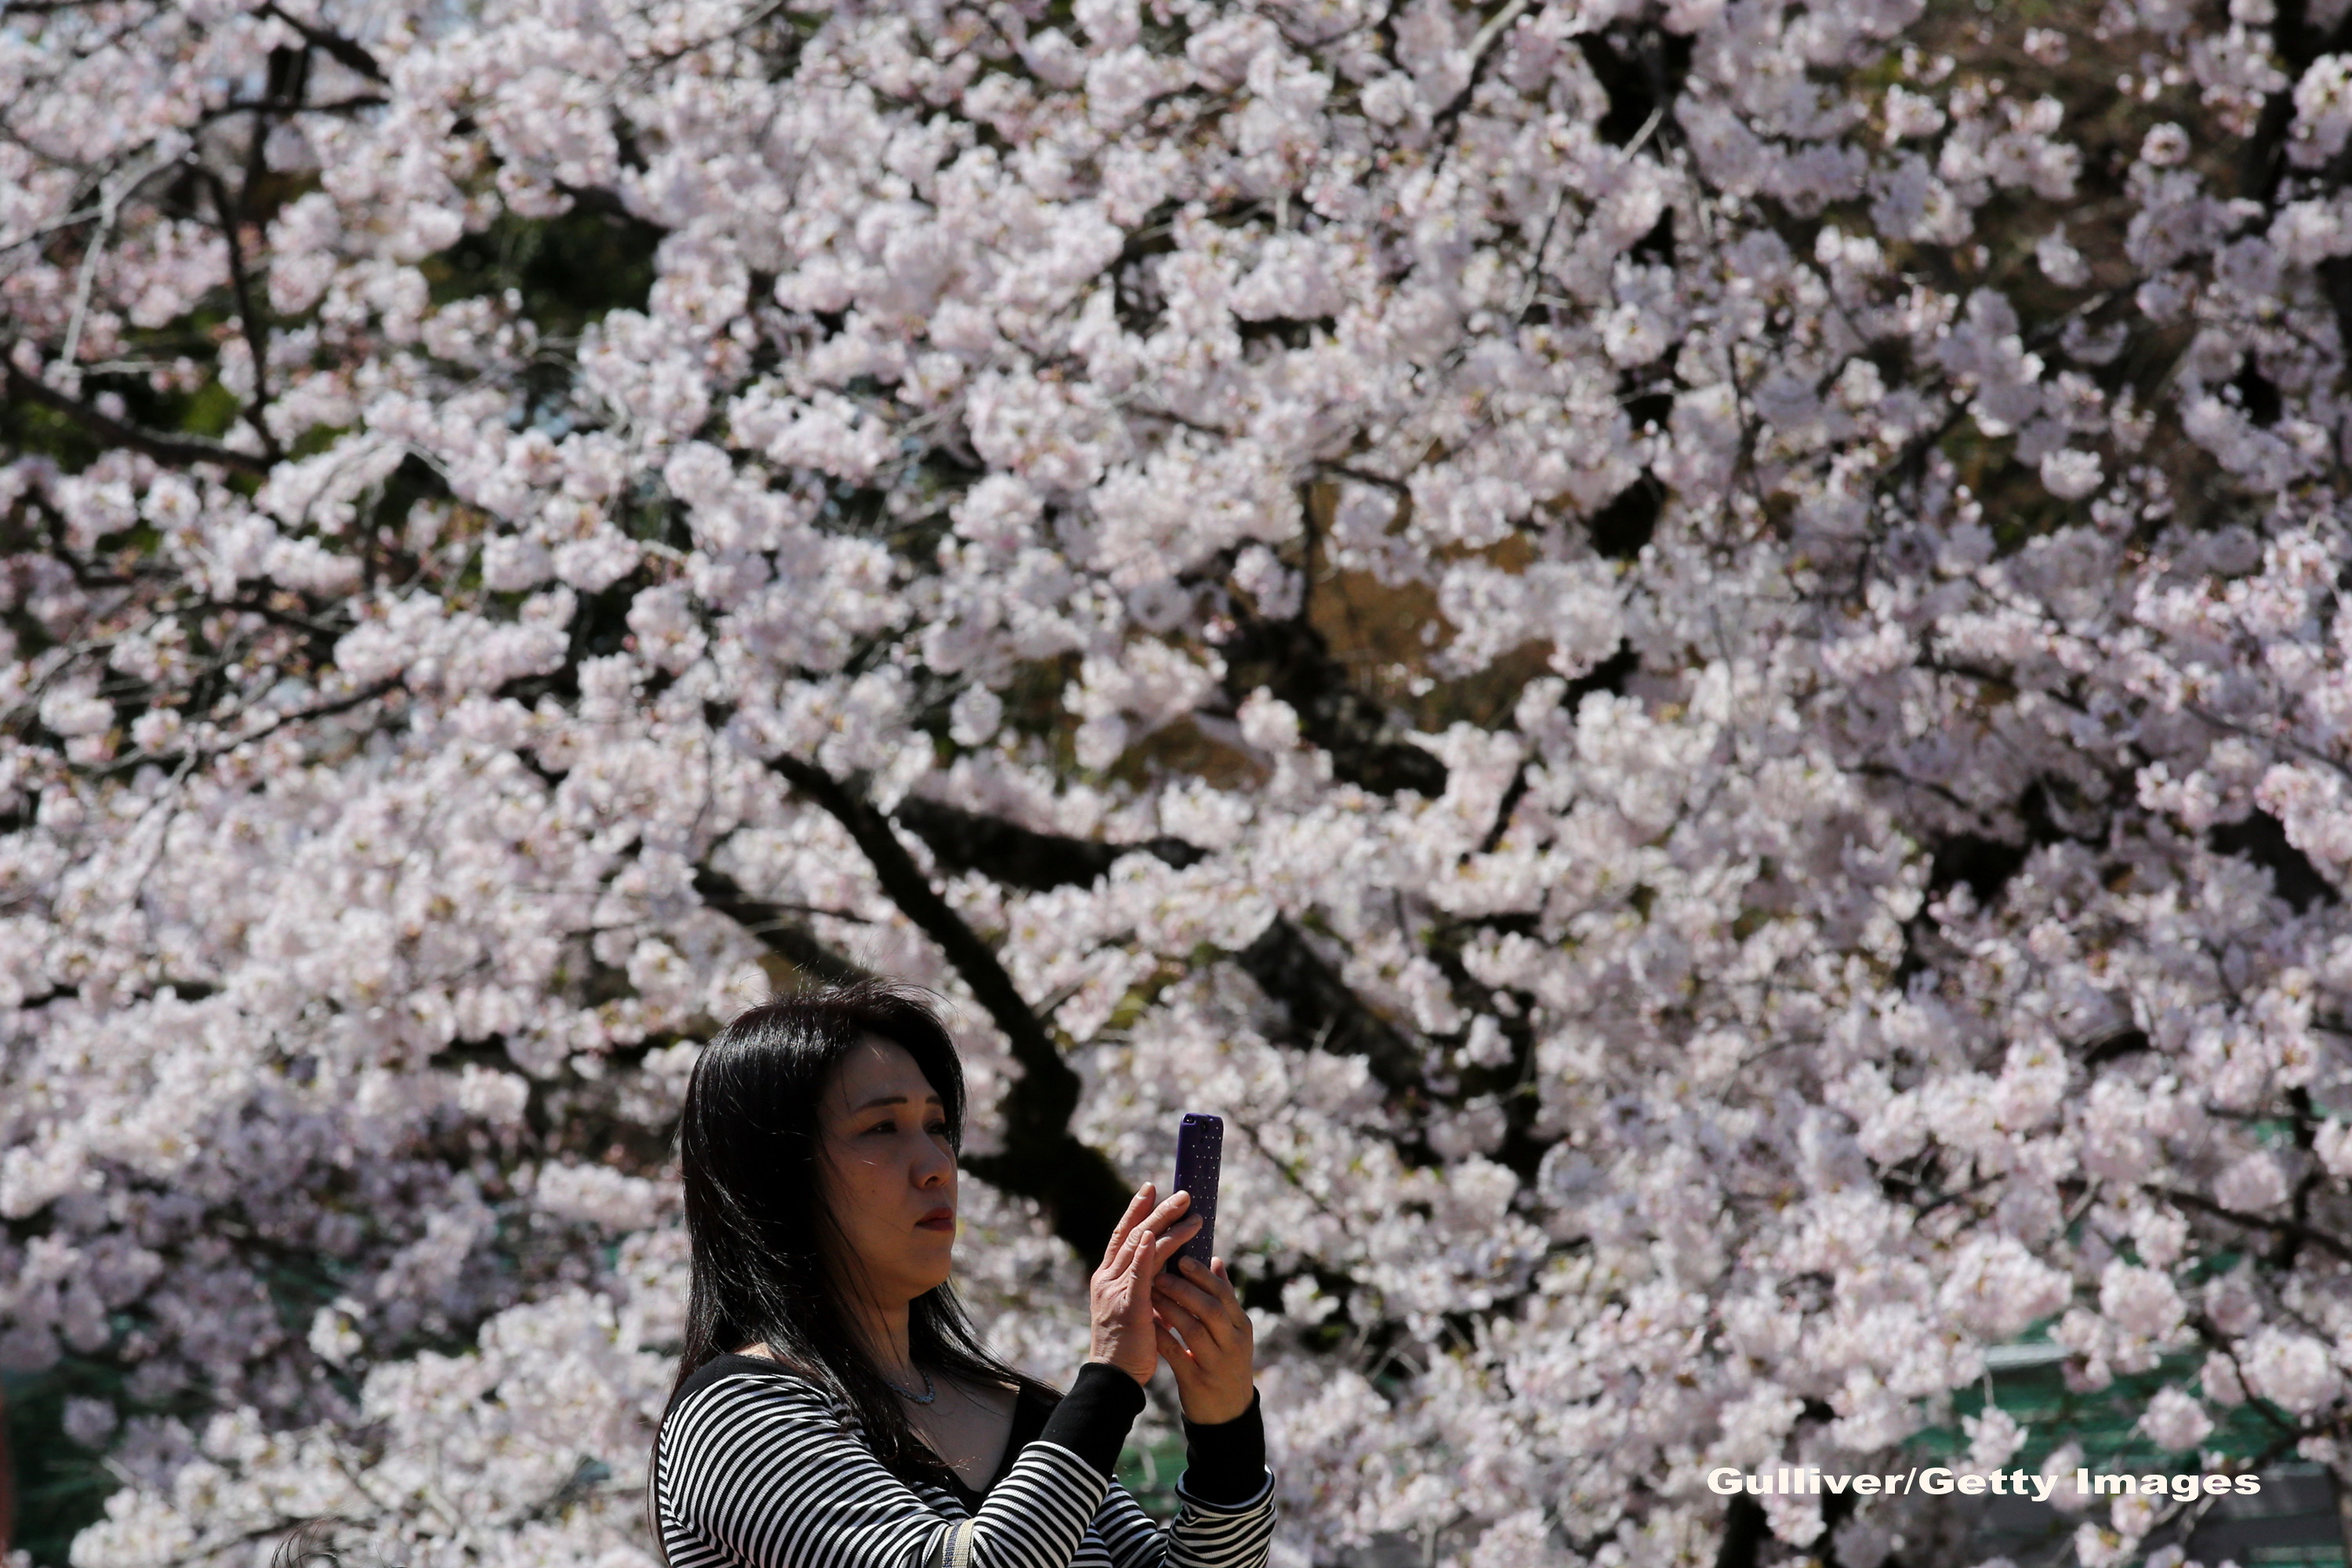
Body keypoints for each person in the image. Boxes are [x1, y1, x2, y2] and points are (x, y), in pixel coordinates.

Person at [651, 980, 1276, 1568]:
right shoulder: (738, 1414)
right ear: (777, 1175)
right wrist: (1111, 1380)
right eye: (882, 1128)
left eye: (936, 1127)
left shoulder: (1023, 1415)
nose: (935, 1165)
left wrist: (1225, 1425)